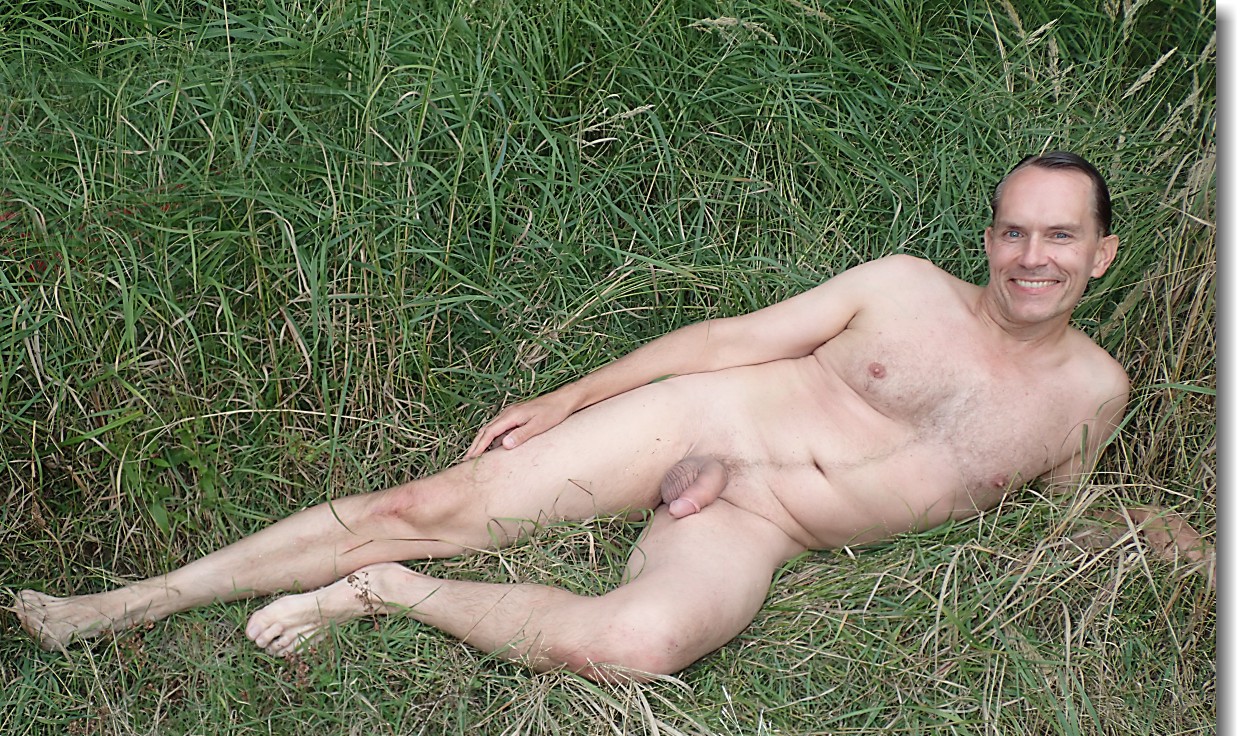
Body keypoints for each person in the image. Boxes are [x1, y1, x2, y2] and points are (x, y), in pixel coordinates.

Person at [11, 152, 1211, 680]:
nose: (1033, 256)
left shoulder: (1093, 394)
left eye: (1061, 237)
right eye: (1014, 231)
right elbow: (725, 342)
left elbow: (1056, 515)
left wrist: (1144, 533)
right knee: (432, 504)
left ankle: (391, 594)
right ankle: (125, 605)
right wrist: (568, 396)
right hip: (708, 420)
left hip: (765, 526)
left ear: (1100, 254)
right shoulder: (900, 287)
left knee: (632, 647)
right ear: (988, 237)